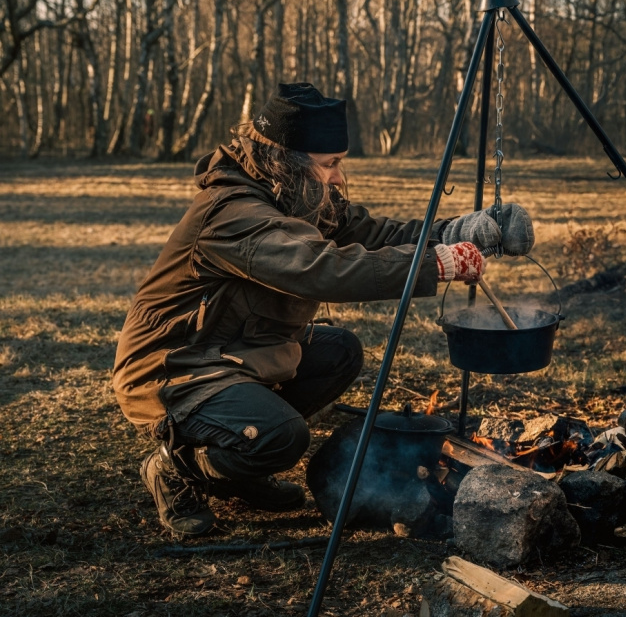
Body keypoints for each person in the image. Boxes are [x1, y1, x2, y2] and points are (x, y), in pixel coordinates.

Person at [113, 82, 534, 537]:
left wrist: (453, 230)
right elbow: (322, 268)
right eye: (329, 164)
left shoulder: (295, 193)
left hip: (237, 350)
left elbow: (370, 233)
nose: (337, 177)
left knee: (339, 351)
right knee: (284, 437)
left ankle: (240, 465)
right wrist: (436, 264)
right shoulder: (232, 215)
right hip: (175, 366)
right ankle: (178, 466)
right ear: (287, 163)